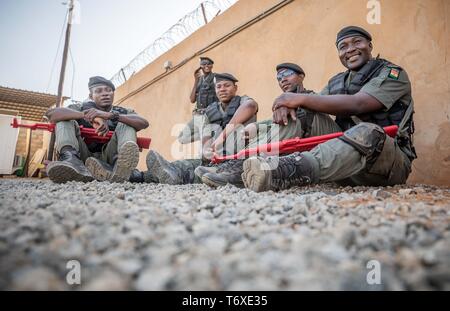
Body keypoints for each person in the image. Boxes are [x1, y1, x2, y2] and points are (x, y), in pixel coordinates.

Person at [241, 26, 416, 192]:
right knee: (301, 113)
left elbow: (358, 103)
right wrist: (284, 105)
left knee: (369, 131)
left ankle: (284, 171)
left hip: (385, 164)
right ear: (339, 54)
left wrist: (296, 98)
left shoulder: (392, 73)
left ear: (369, 46)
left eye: (357, 42)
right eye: (343, 46)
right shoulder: (337, 81)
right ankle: (244, 167)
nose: (350, 49)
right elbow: (311, 105)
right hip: (341, 167)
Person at [197, 62, 340, 188]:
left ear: (301, 76)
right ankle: (238, 165)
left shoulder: (313, 96)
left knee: (290, 117)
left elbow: (321, 103)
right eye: (279, 78)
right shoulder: (211, 109)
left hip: (338, 141)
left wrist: (293, 102)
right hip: (307, 144)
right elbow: (270, 122)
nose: (282, 79)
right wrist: (256, 127)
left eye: (287, 74)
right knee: (264, 126)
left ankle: (241, 169)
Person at [144, 73, 258, 185]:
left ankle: (185, 176)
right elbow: (206, 136)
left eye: (227, 85)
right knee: (180, 166)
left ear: (235, 88)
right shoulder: (211, 111)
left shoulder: (243, 101)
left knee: (198, 173)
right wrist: (206, 151)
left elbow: (250, 106)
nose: (222, 89)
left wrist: (221, 138)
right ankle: (139, 176)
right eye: (219, 86)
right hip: (216, 160)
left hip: (238, 157)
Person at [45, 76, 149, 183]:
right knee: (64, 120)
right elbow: (52, 115)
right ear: (91, 96)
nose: (105, 94)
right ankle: (71, 162)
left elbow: (144, 123)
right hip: (82, 157)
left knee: (127, 123)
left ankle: (123, 168)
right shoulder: (79, 108)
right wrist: (84, 115)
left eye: (109, 90)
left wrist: (111, 116)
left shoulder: (122, 111)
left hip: (112, 159)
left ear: (113, 94)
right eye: (99, 91)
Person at [178, 56, 219, 144]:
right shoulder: (199, 80)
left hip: (207, 115)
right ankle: (208, 134)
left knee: (203, 142)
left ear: (212, 66)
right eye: (204, 64)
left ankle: (206, 137)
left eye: (209, 64)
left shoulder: (215, 78)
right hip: (197, 115)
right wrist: (196, 80)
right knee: (181, 138)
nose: (206, 66)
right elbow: (192, 100)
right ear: (200, 66)